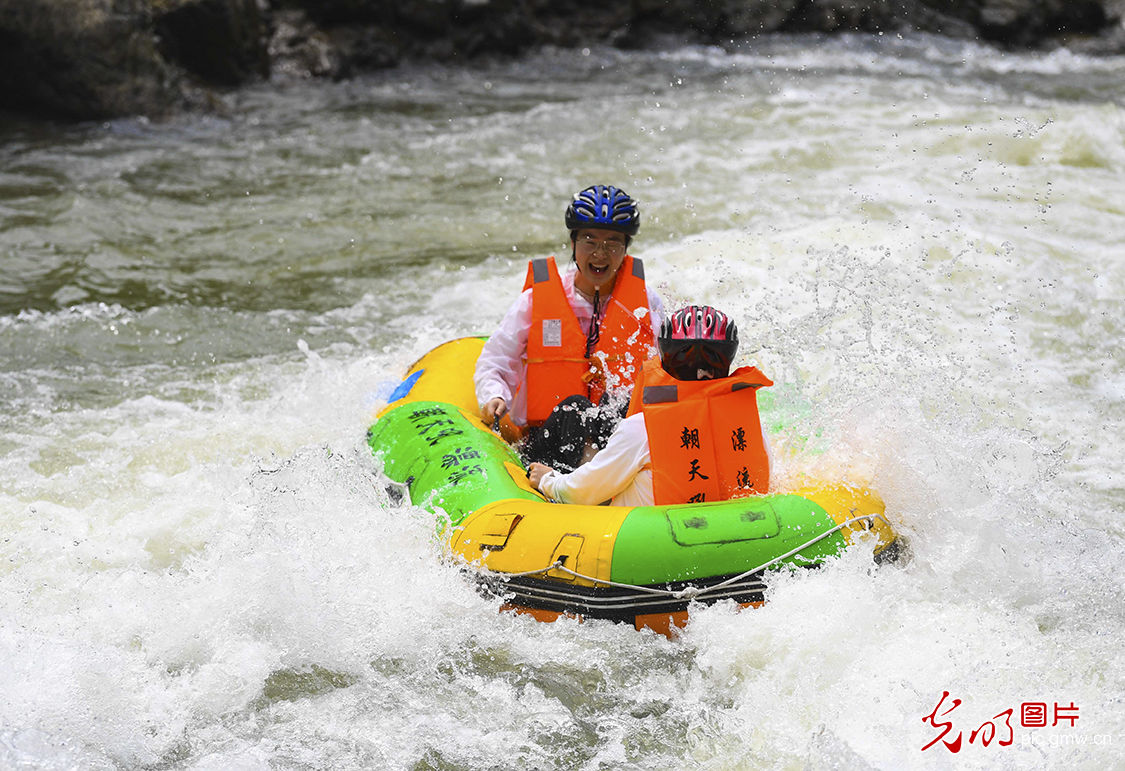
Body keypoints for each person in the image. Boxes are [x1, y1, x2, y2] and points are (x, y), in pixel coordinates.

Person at [474, 184, 665, 471]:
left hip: (616, 443)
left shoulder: (645, 303)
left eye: (613, 243)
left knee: (623, 405)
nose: (600, 254)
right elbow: (495, 363)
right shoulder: (534, 301)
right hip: (548, 442)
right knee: (575, 409)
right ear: (573, 243)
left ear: (625, 249)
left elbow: (668, 369)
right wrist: (494, 396)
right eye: (589, 241)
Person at [527, 305, 773, 507]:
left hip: (644, 542)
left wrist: (549, 480)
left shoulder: (641, 429)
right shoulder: (750, 426)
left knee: (576, 409)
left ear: (667, 357)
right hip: (734, 534)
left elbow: (581, 493)